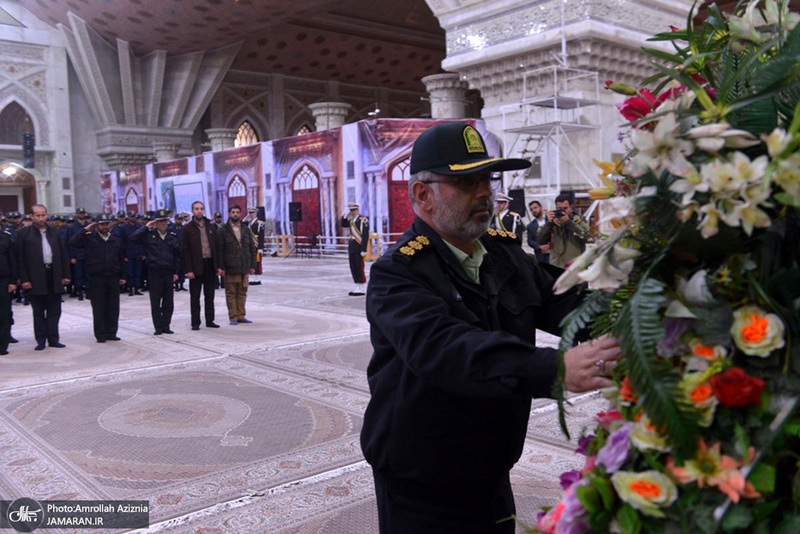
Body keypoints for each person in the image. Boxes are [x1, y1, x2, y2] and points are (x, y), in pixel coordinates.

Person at [360, 122, 621, 534]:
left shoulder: (505, 256)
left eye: (486, 178)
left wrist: (639, 317)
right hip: (422, 481)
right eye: (465, 182)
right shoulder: (399, 273)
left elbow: (569, 304)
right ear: (422, 195)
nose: (484, 192)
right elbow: (446, 349)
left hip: (490, 468)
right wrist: (555, 369)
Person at [16, 204, 71, 350]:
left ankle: (53, 338)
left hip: (53, 273)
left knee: (54, 310)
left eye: (43, 215)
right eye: (38, 215)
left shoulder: (54, 232)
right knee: (39, 311)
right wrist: (24, 279)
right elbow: (20, 259)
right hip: (35, 276)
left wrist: (66, 274)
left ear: (47, 215)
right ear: (32, 216)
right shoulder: (24, 233)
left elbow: (62, 253)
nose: (41, 218)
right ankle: (41, 340)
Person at [68, 213, 126, 343]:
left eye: (107, 224)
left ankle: (112, 332)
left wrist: (123, 276)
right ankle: (100, 334)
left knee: (113, 307)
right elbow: (73, 242)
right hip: (96, 277)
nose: (105, 226)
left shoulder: (116, 239)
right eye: (102, 224)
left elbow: (121, 258)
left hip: (113, 276)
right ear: (96, 225)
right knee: (99, 307)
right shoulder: (89, 238)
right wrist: (86, 229)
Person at [131, 209, 181, 335]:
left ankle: (166, 325)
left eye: (165, 221)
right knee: (155, 301)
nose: (163, 223)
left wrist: (176, 272)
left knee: (168, 302)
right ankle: (158, 327)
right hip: (154, 272)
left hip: (168, 272)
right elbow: (133, 238)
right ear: (155, 222)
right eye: (160, 221)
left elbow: (177, 256)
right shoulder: (149, 235)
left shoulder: (172, 235)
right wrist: (146, 227)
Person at [181, 200, 222, 330]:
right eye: (196, 209)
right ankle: (195, 322)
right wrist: (189, 270)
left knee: (210, 295)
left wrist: (219, 266)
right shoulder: (187, 228)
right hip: (195, 266)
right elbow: (185, 251)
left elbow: (217, 247)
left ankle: (210, 320)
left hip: (209, 264)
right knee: (195, 297)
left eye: (201, 209)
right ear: (192, 211)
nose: (199, 211)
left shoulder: (211, 226)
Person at [216, 204, 258, 325]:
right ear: (229, 213)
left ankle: (241, 315)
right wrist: (221, 267)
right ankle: (233, 316)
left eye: (237, 212)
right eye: (233, 212)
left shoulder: (245, 229)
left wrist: (252, 266)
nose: (235, 214)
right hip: (230, 267)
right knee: (231, 293)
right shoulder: (223, 230)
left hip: (244, 266)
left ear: (240, 214)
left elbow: (252, 248)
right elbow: (220, 250)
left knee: (242, 292)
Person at [537, 192, 592, 268]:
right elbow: (540, 240)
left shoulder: (578, 220)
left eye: (565, 208)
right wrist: (549, 224)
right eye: (560, 209)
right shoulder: (552, 222)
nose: (563, 212)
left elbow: (586, 236)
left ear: (571, 207)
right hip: (556, 266)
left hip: (575, 266)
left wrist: (569, 223)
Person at [341, 202, 369, 296]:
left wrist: (364, 249)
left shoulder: (363, 220)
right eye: (351, 210)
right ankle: (357, 286)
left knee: (359, 267)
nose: (352, 212)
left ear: (357, 210)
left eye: (353, 210)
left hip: (359, 246)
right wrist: (346, 215)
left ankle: (362, 288)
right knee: (353, 267)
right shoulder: (351, 220)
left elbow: (365, 236)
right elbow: (343, 224)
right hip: (352, 246)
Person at [66, 207, 91, 300]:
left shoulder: (89, 226)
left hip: (87, 254)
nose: (81, 215)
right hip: (77, 255)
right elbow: (69, 243)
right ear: (76, 215)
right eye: (80, 213)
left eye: (83, 213)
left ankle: (88, 292)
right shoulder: (72, 228)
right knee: (78, 275)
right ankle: (80, 292)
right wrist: (71, 257)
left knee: (87, 274)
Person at [0, 227, 17, 355]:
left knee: (4, 314)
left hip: (3, 280)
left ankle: (2, 345)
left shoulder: (5, 238)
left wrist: (13, 280)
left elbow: (12, 260)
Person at [121, 211, 145, 296]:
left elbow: (143, 241)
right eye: (131, 216)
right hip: (129, 253)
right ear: (128, 217)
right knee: (130, 272)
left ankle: (137, 288)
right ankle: (130, 288)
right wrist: (124, 255)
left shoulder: (140, 227)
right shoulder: (124, 228)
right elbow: (122, 242)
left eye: (134, 216)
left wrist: (143, 253)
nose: (133, 218)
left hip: (138, 252)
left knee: (138, 272)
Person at [243, 207, 265, 285]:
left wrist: (260, 247)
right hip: (250, 244)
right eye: (250, 213)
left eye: (252, 213)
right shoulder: (249, 222)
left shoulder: (260, 223)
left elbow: (261, 236)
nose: (251, 214)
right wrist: (247, 217)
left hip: (256, 244)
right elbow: (242, 223)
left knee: (257, 261)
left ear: (256, 213)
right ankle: (252, 278)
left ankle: (257, 278)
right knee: (250, 261)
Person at [525, 199, 550, 264]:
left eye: (535, 207)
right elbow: (530, 241)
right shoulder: (530, 226)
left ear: (541, 208)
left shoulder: (550, 220)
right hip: (541, 256)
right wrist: (539, 247)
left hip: (554, 253)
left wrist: (549, 245)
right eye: (531, 209)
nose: (534, 210)